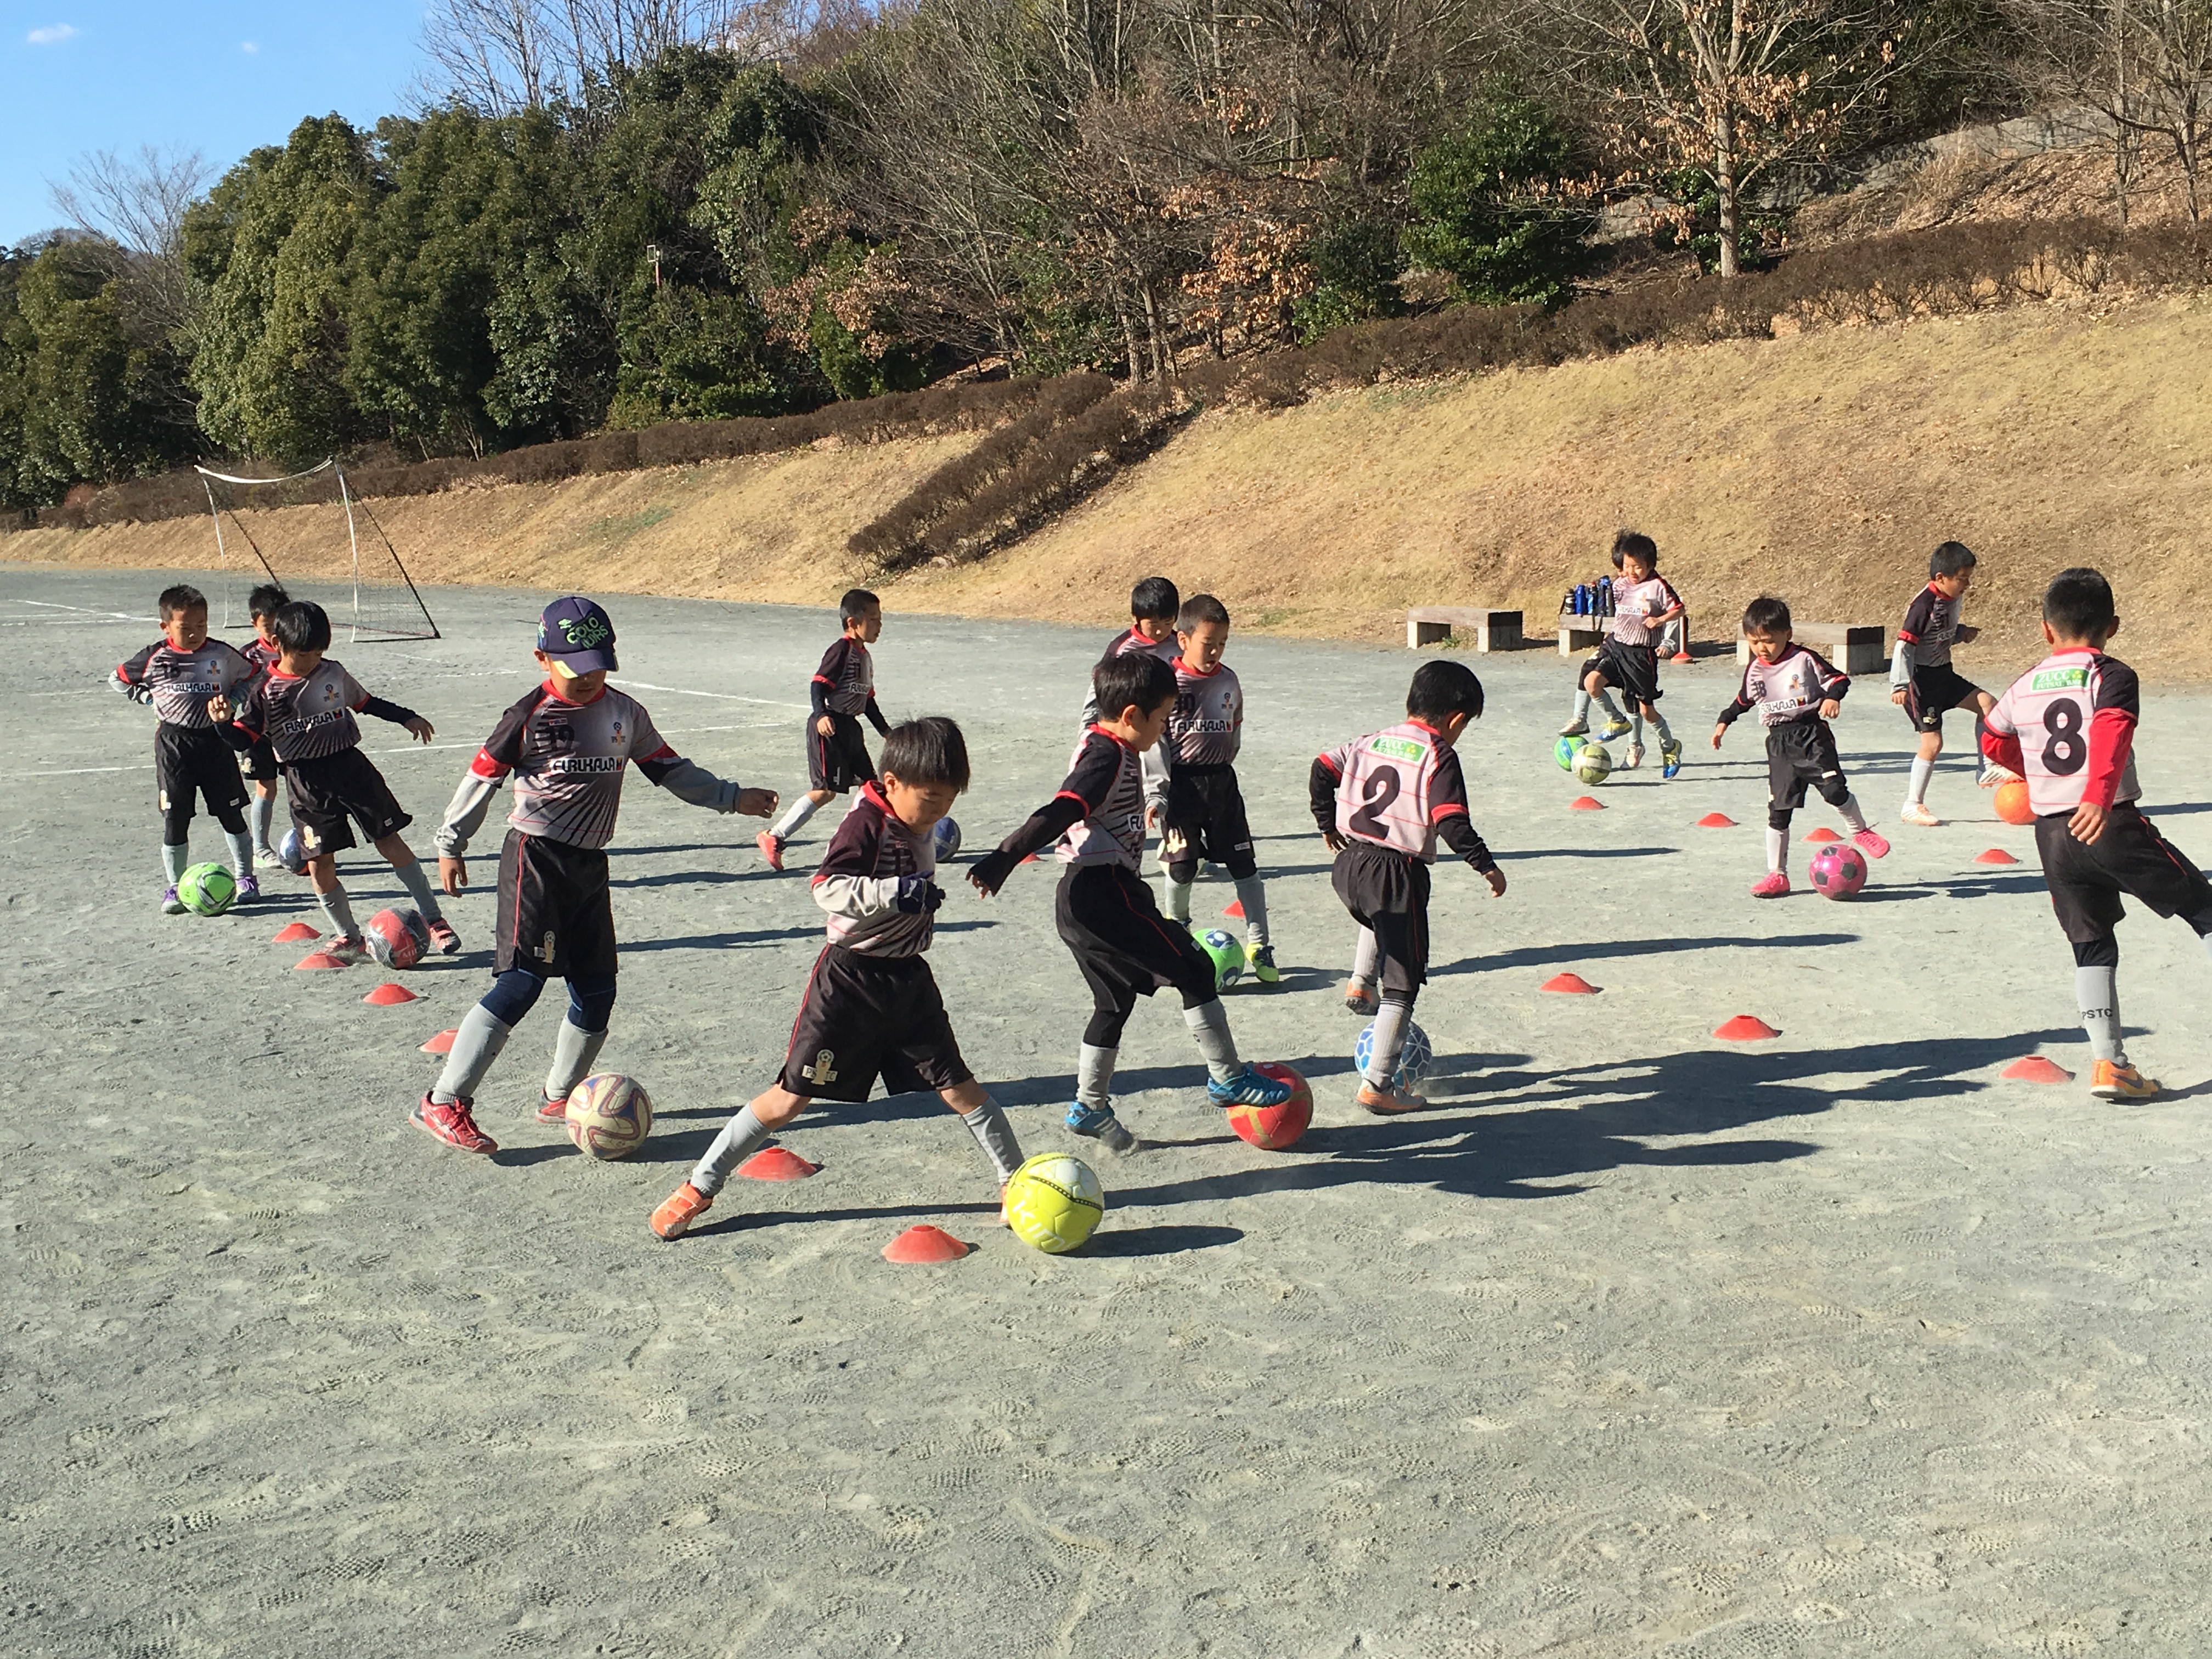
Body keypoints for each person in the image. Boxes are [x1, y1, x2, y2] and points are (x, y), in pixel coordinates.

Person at [419, 597, 775, 1153]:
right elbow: (482, 779)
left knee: (597, 989)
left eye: (598, 666)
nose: (589, 678)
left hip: (589, 864)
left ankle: (559, 1096)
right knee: (521, 983)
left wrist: (731, 797)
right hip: (536, 858)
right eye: (575, 668)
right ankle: (444, 1100)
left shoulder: (625, 714)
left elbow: (669, 770)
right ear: (542, 658)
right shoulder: (528, 716)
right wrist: (451, 843)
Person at [651, 717, 1025, 1238]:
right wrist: (894, 894)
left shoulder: (912, 815)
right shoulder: (866, 824)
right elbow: (825, 887)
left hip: (908, 982)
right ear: (892, 783)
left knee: (958, 1088)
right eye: (930, 801)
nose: (938, 814)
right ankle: (700, 1184)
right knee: (788, 1099)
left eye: (948, 802)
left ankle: (1015, 1181)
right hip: (849, 984)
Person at [968, 652, 1293, 1155]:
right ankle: (1227, 1077)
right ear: (1131, 715)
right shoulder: (1106, 756)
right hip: (1104, 893)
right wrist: (1004, 857)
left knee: (1113, 1003)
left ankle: (1089, 1106)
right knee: (1195, 967)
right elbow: (1064, 807)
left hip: (1082, 899)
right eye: (1162, 719)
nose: (1164, 730)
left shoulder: (1108, 744)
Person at [1981, 567, 2212, 1101]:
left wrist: (2028, 766)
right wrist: (2098, 794)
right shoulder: (2111, 675)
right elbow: (2111, 726)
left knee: (2091, 944)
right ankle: (2111, 1066)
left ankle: (2109, 1065)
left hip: (2053, 836)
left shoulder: (2025, 682)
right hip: (2109, 824)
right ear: (2113, 626)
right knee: (2204, 910)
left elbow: (1992, 736)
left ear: (2045, 629)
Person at [209, 600, 456, 962]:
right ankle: (349, 936)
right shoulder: (264, 690)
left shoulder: (333, 673)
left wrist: (407, 717)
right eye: (303, 655)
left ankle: (435, 920)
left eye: (318, 653)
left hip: (351, 769)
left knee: (389, 841)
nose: (312, 662)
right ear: (277, 644)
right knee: (320, 862)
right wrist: (222, 724)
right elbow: (244, 738)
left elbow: (367, 703)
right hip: (305, 782)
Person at [1311, 659, 1506, 1113]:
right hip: (1396, 873)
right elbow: (1451, 821)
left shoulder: (1370, 740)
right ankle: (1378, 1085)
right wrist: (1485, 865)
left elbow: (1322, 768)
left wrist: (1326, 821)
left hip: (1349, 865)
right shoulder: (1439, 754)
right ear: (1456, 720)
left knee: (1377, 919)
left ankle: (1360, 982)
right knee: (1403, 985)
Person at [1712, 596, 1892, 897]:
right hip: (1779, 744)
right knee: (1778, 812)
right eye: (1754, 642)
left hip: (1811, 735)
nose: (1761, 648)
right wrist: (1724, 721)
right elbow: (1744, 700)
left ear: (1788, 634)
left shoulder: (1804, 659)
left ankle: (1861, 832)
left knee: (1834, 791)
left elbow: (1839, 680)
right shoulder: (1755, 669)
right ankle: (1777, 875)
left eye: (1769, 641)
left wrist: (1832, 697)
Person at [111, 584, 261, 912]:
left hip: (216, 741)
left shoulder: (222, 654)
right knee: (175, 818)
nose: (195, 633)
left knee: (230, 812)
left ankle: (245, 877)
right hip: (174, 746)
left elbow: (255, 674)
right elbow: (117, 679)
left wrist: (235, 700)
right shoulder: (154, 656)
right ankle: (175, 887)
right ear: (165, 626)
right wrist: (147, 697)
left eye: (201, 625)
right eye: (185, 627)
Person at [1158, 593, 1277, 983]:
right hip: (1180, 787)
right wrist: (1156, 790)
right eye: (1208, 643)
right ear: (1183, 639)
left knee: (1244, 865)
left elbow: (1235, 725)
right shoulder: (1168, 683)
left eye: (1223, 643)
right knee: (1182, 867)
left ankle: (1259, 944)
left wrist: (1225, 757)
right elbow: (1156, 742)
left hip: (1222, 783)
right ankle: (1176, 935)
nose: (1216, 652)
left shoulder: (1228, 680)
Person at [758, 588, 889, 870]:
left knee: (871, 788)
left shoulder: (865, 657)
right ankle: (774, 836)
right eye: (874, 619)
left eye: (881, 619)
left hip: (851, 728)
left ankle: (873, 843)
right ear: (853, 622)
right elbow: (818, 685)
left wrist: (887, 733)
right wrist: (821, 715)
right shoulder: (841, 651)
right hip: (830, 728)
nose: (880, 625)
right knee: (825, 792)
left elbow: (868, 701)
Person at [1892, 540, 2018, 826]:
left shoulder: (1951, 598)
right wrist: (1899, 684)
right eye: (1962, 579)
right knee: (1933, 743)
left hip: (1943, 674)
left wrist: (1961, 633)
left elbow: (1939, 631)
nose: (1967, 585)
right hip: (1921, 681)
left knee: (1988, 704)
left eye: (1968, 578)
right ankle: (1912, 804)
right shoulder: (1923, 605)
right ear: (1941, 578)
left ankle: (1986, 768)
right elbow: (1905, 645)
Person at [1561, 531, 1685, 776]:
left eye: (1637, 567)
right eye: (1627, 566)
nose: (1632, 572)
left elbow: (1680, 609)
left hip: (1641, 656)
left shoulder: (1657, 586)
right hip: (1616, 645)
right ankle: (1616, 720)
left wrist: (1660, 620)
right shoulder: (1621, 584)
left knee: (1647, 711)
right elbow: (1614, 603)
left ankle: (1670, 747)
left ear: (1650, 565)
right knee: (1591, 681)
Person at [1077, 575, 1182, 728]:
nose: (1161, 631)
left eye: (1168, 623)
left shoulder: (1182, 645)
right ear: (1136, 618)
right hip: (1135, 724)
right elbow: (1100, 689)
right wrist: (1087, 729)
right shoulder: (1122, 649)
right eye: (1153, 624)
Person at [239, 583, 290, 868]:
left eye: (277, 624)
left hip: (293, 730)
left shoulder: (294, 649)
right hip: (258, 732)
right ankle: (260, 848)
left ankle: (306, 843)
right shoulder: (247, 656)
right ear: (254, 624)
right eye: (266, 626)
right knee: (266, 787)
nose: (273, 632)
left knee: (300, 787)